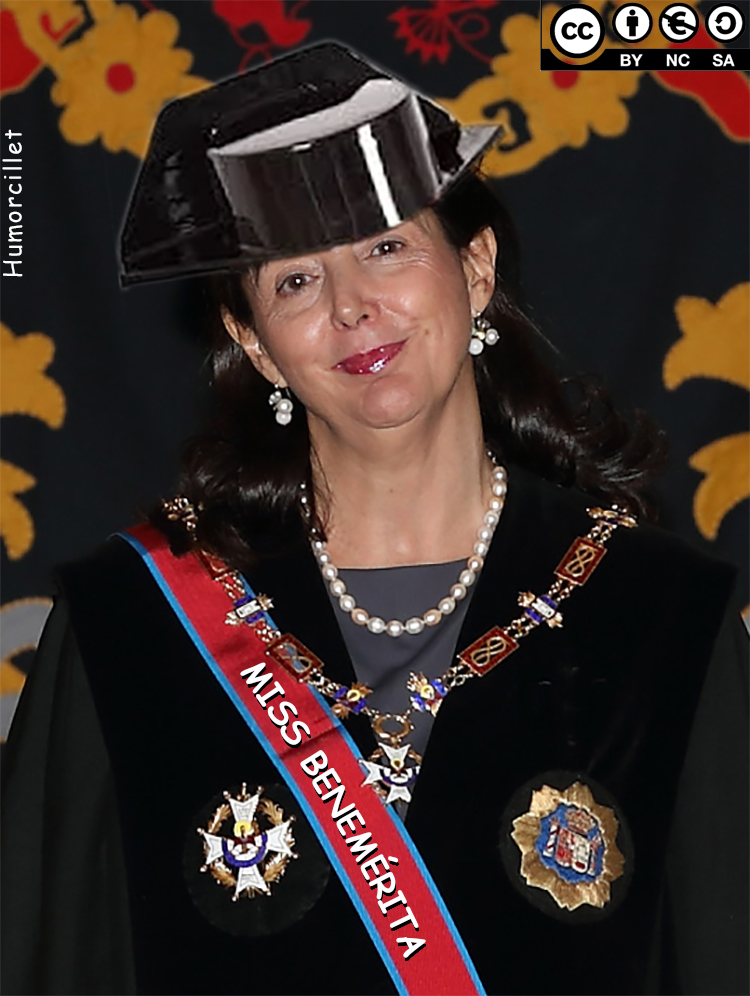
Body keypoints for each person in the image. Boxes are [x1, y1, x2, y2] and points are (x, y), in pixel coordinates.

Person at [2, 42, 747, 996]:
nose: (353, 308)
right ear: (253, 343)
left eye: (385, 247)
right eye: (295, 280)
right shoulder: (130, 627)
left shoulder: (664, 619)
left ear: (475, 269)